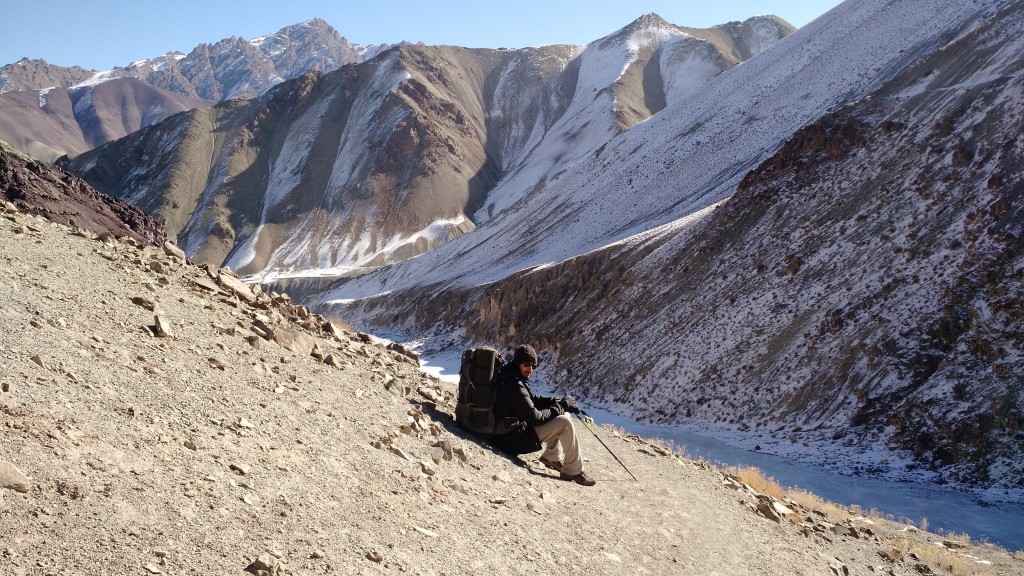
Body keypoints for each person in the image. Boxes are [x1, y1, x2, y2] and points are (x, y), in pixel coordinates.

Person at [490, 344, 596, 486]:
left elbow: (529, 399)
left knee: (561, 414)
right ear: (518, 363)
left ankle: (551, 457)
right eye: (526, 364)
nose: (530, 369)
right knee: (564, 423)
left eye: (533, 365)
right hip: (510, 440)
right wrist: (561, 406)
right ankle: (573, 471)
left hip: (507, 432)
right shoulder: (513, 384)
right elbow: (535, 418)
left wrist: (558, 402)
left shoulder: (512, 375)